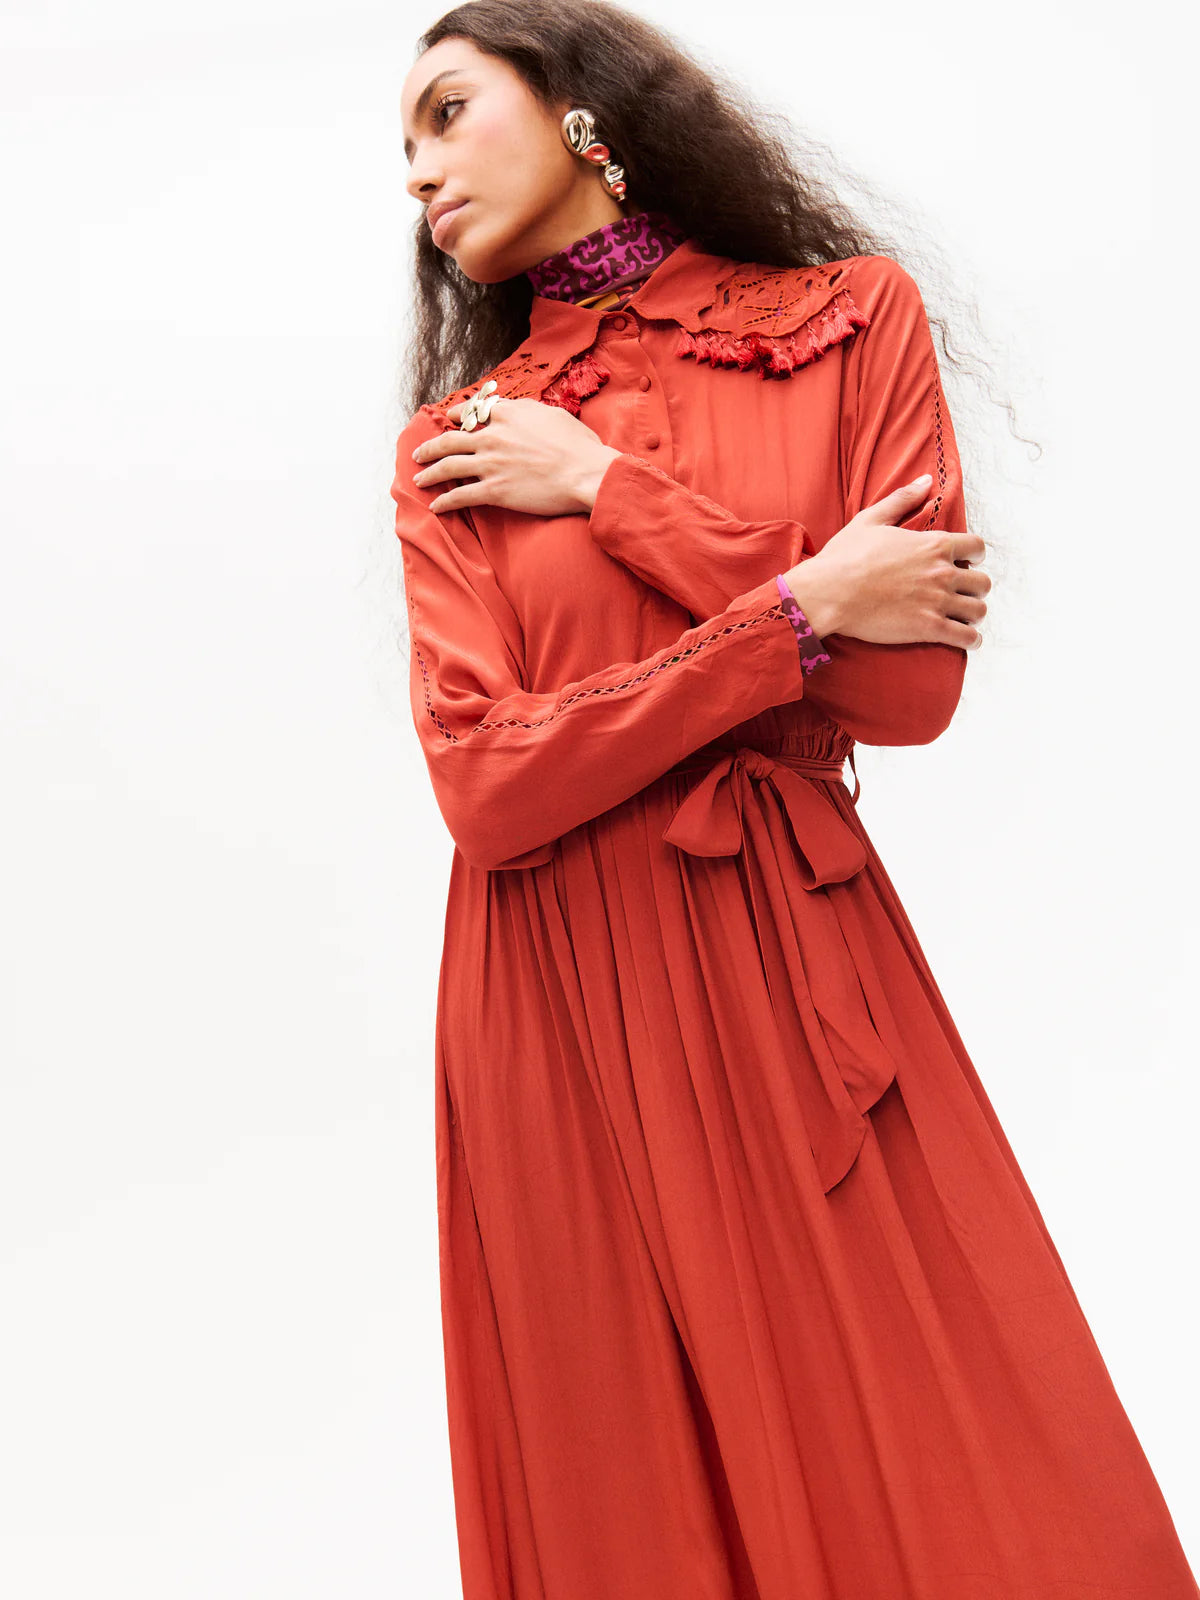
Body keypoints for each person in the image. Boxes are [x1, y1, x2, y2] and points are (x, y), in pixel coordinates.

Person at [393, 3, 1199, 1595]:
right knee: (632, 1494)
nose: (416, 172)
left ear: (578, 108)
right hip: (549, 993)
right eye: (401, 148)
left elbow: (906, 697)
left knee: (971, 1457)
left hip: (794, 958)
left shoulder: (850, 319)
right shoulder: (458, 450)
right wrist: (797, 610)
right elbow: (486, 787)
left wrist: (608, 490)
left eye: (445, 113)